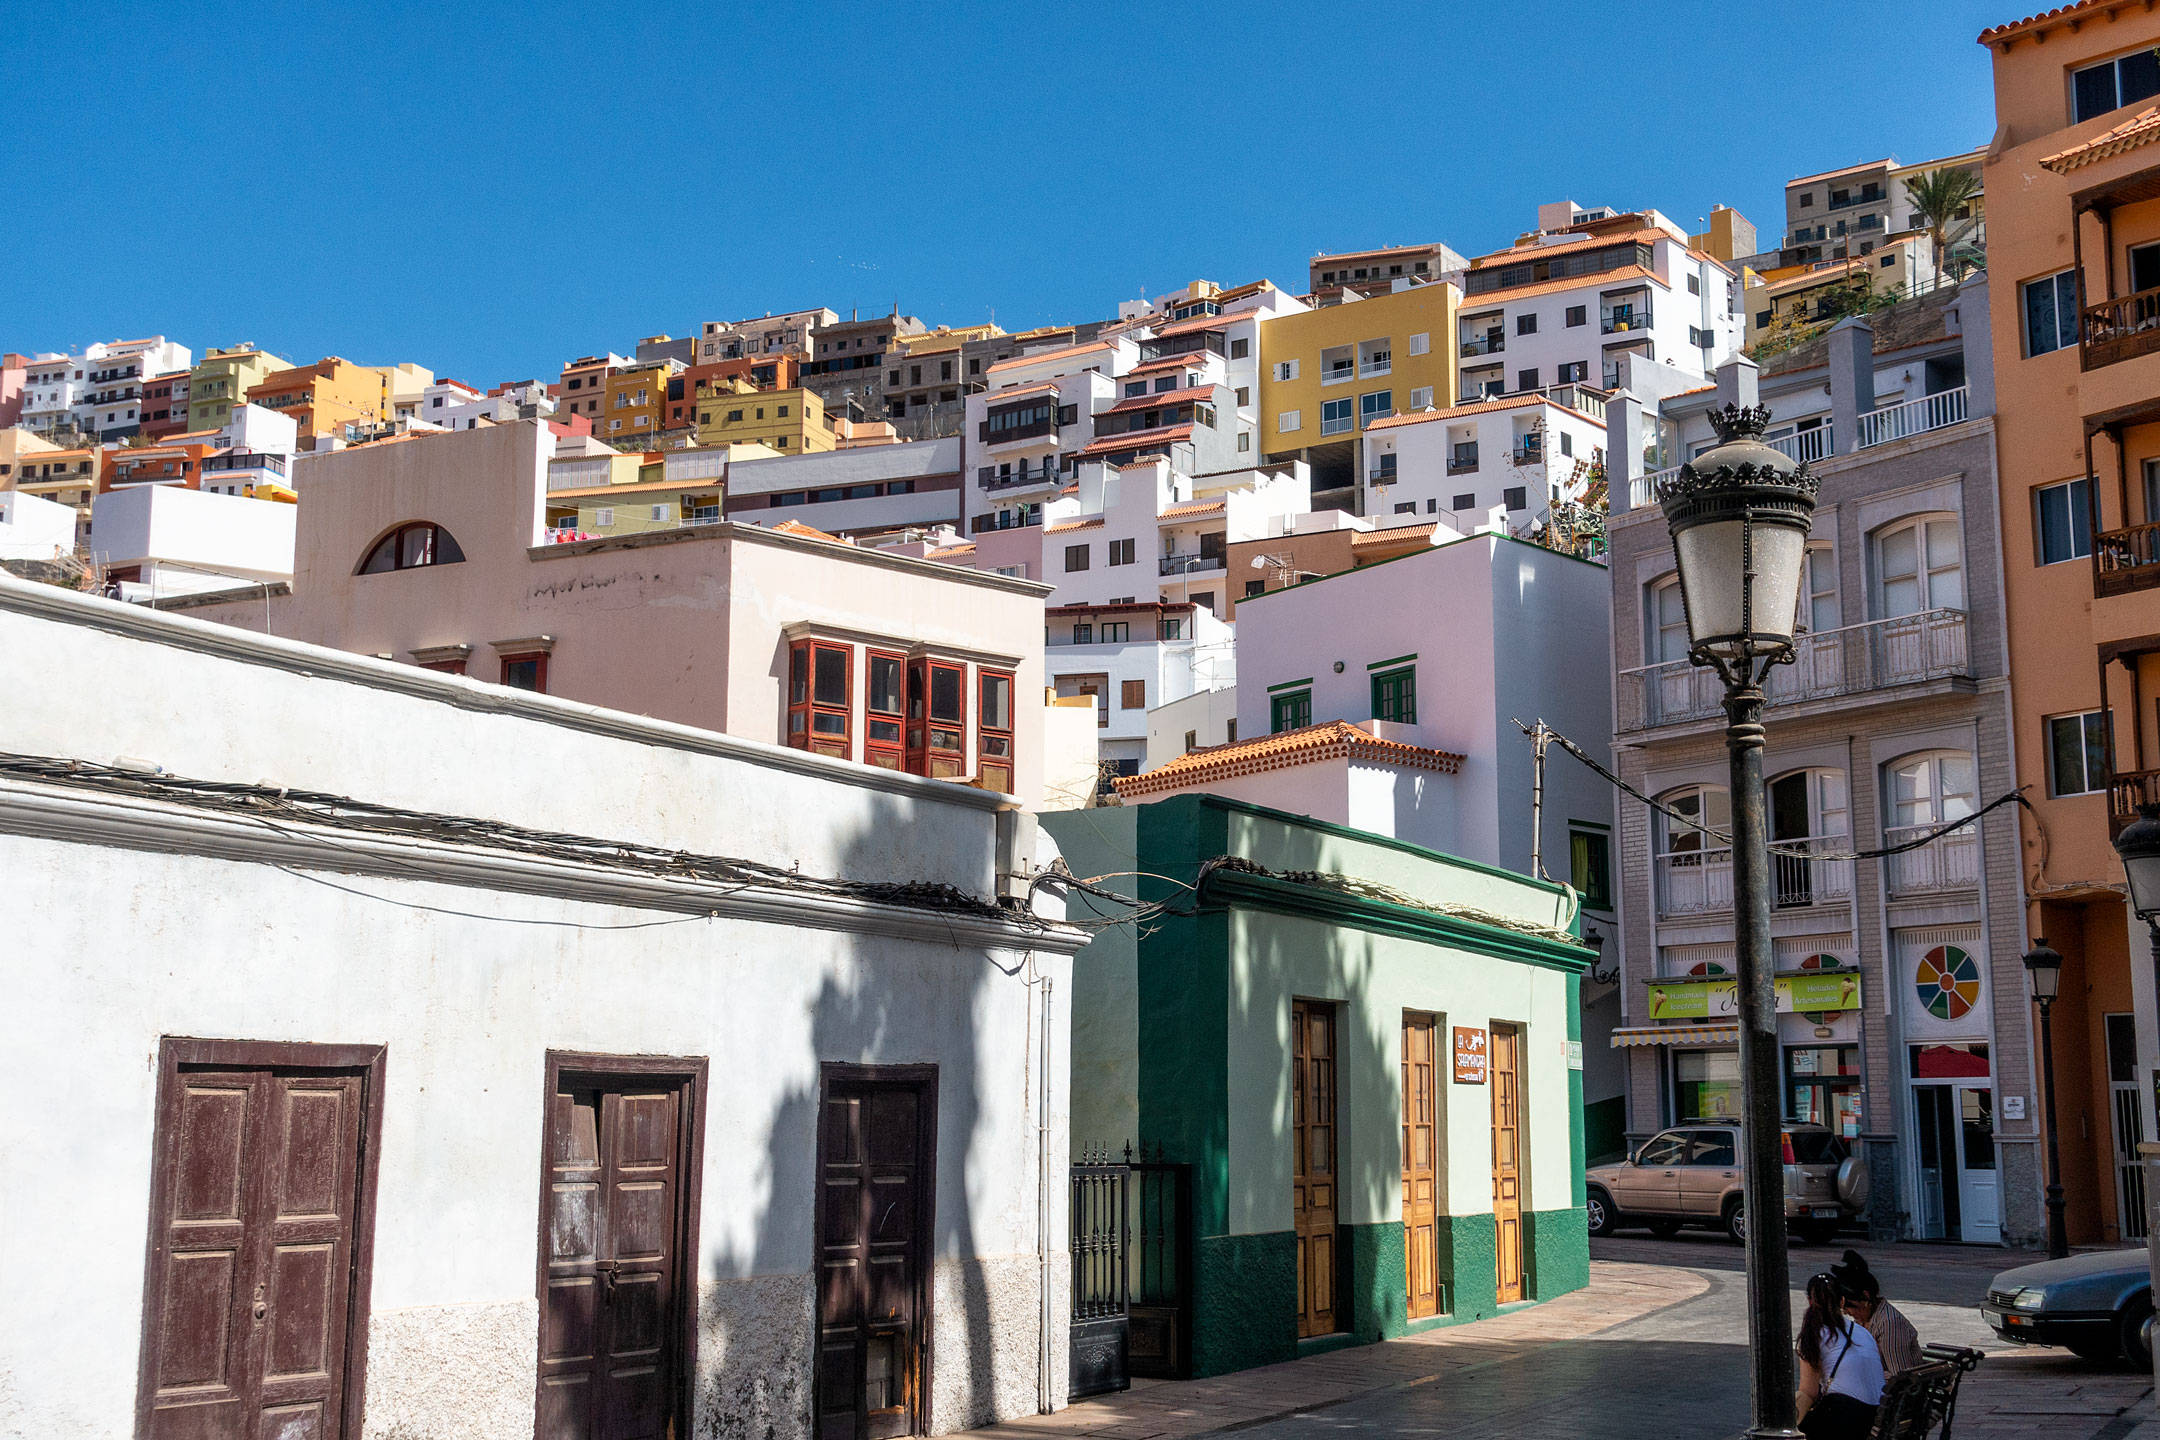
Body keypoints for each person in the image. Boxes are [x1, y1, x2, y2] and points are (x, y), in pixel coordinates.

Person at [1796, 1271, 1885, 1439]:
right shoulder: (1863, 1332)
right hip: (1875, 1414)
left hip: (1844, 1416)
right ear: (1842, 1301)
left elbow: (1808, 1392)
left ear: (1809, 1301)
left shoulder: (1814, 1335)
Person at [1832, 1248, 1924, 1374]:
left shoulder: (1889, 1324)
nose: (1846, 1312)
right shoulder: (1862, 1321)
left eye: (1848, 1306)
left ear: (1865, 1297)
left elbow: (1899, 1375)